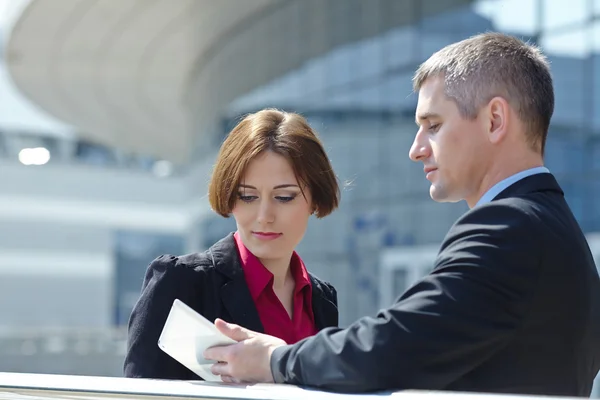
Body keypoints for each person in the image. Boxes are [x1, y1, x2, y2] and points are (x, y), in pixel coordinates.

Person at [203, 32, 600, 396]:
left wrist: (275, 361)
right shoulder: (560, 233)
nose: (416, 149)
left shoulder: (508, 228)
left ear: (495, 120)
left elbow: (395, 346)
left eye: (433, 125)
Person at [124, 108, 341, 380]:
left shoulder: (321, 299)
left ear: (315, 199)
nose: (264, 217)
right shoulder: (182, 283)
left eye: (284, 197)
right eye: (248, 197)